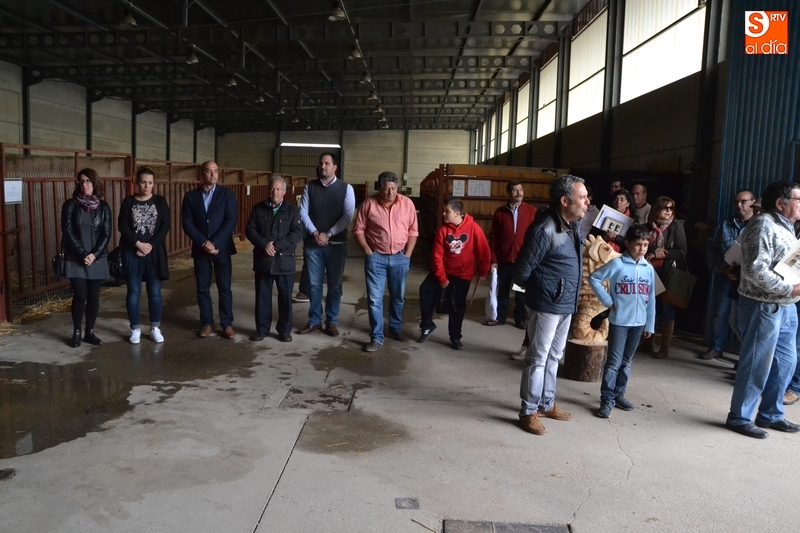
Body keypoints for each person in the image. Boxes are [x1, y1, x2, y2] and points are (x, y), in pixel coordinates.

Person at [513, 174, 589, 435]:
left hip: (565, 303)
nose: (587, 202)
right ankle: (528, 411)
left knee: (554, 356)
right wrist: (540, 293)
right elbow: (521, 272)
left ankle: (546, 404)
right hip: (547, 304)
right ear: (565, 201)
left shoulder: (572, 225)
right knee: (538, 358)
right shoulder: (544, 229)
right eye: (582, 197)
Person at [726, 180, 800, 439]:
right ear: (781, 203)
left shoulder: (787, 227)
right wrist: (791, 289)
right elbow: (756, 271)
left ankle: (771, 414)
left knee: (785, 363)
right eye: (798, 200)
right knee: (756, 364)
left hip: (786, 307)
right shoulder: (763, 225)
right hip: (763, 306)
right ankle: (739, 417)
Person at [588, 224, 656, 418]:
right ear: (627, 243)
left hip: (639, 323)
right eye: (638, 244)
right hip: (619, 322)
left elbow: (651, 298)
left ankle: (619, 394)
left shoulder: (649, 269)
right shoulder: (617, 264)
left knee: (627, 361)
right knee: (614, 362)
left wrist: (650, 324)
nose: (642, 249)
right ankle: (607, 398)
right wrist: (608, 301)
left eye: (645, 245)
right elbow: (594, 278)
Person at [353, 171, 418, 352]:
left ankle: (395, 329)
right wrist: (368, 251)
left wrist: (408, 254)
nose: (390, 192)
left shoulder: (407, 204)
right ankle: (376, 336)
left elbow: (413, 230)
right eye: (386, 188)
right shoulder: (368, 205)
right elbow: (358, 229)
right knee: (375, 299)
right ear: (379, 188)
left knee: (398, 297)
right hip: (376, 258)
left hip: (400, 257)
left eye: (394, 188)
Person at [418, 198, 490, 350]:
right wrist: (442, 278)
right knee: (425, 290)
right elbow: (436, 257)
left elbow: (484, 252)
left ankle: (455, 336)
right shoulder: (443, 230)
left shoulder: (474, 228)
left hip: (462, 275)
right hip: (443, 271)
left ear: (457, 213)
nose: (443, 214)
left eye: (447, 211)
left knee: (457, 306)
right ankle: (427, 325)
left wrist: (483, 272)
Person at [297, 152, 355, 336]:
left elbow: (347, 216)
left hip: (336, 244)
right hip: (313, 244)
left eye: (327, 163)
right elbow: (303, 213)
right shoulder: (310, 187)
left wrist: (328, 234)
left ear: (335, 167)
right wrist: (316, 233)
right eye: (321, 163)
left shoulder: (346, 188)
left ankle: (331, 321)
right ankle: (315, 321)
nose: (323, 166)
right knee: (314, 285)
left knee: (335, 285)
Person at [181, 160, 239, 339]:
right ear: (201, 174)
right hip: (201, 249)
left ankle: (226, 324)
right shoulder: (191, 197)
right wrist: (203, 242)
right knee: (202, 288)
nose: (213, 174)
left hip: (222, 248)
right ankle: (206, 323)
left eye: (215, 171)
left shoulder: (227, 194)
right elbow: (187, 223)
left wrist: (214, 242)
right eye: (208, 171)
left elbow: (231, 220)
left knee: (224, 287)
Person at [245, 176, 303, 343]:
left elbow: (297, 234)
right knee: (262, 297)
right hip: (264, 260)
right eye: (272, 188)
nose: (275, 192)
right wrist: (264, 244)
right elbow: (250, 229)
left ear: (284, 192)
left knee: (285, 298)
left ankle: (284, 330)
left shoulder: (292, 211)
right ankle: (261, 330)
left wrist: (276, 246)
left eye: (278, 189)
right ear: (268, 190)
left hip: (284, 262)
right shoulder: (258, 209)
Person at [118, 167, 170, 344]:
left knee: (154, 292)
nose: (146, 186)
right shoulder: (128, 202)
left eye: (149, 182)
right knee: (133, 292)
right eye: (143, 182)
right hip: (132, 252)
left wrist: (150, 245)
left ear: (153, 184)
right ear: (136, 183)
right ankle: (135, 329)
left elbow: (164, 226)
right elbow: (122, 226)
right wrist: (138, 244)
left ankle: (155, 327)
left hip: (153, 253)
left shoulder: (160, 202)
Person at [61, 168, 112, 347]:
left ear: (95, 183)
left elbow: (106, 233)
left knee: (93, 295)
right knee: (80, 295)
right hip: (76, 257)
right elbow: (67, 231)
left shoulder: (103, 207)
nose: (84, 184)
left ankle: (89, 331)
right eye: (81, 181)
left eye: (88, 181)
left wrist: (94, 254)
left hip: (97, 257)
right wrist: (83, 253)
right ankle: (76, 332)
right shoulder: (70, 205)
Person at [703, 189, 755, 360]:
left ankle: (746, 355)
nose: (739, 205)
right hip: (726, 276)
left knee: (743, 319)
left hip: (748, 280)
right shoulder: (724, 225)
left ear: (753, 203)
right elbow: (711, 247)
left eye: (743, 201)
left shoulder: (757, 226)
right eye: (736, 202)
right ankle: (716, 346)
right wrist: (718, 267)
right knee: (720, 313)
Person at [486, 180, 537, 329]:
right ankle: (500, 317)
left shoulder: (531, 211)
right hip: (505, 258)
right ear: (509, 193)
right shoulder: (500, 212)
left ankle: (520, 319)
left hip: (523, 260)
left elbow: (535, 236)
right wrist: (494, 260)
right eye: (515, 190)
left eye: (521, 190)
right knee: (503, 289)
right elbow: (494, 237)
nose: (519, 193)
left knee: (521, 291)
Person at [644, 196, 687, 359]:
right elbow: (640, 244)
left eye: (671, 208)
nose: (669, 211)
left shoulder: (676, 226)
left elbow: (682, 251)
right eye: (665, 208)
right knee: (649, 305)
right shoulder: (647, 227)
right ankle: (647, 342)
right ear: (656, 210)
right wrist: (654, 250)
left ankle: (664, 347)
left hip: (668, 272)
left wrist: (664, 253)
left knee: (667, 308)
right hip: (649, 271)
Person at [598, 189, 636, 253]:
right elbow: (593, 234)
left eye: (622, 200)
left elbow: (633, 243)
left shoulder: (633, 221)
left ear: (628, 204)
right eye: (616, 199)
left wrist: (616, 238)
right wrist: (605, 237)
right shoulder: (604, 215)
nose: (618, 202)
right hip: (601, 251)